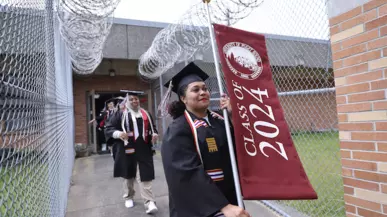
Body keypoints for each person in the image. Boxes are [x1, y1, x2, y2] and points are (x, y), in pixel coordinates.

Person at [160, 62, 251, 217]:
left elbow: (241, 148)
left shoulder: (220, 119)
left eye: (205, 88)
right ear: (183, 98)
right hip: (197, 205)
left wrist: (232, 116)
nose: (203, 92)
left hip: (228, 196)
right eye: (195, 90)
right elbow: (186, 173)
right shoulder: (178, 129)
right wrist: (222, 206)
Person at [104, 91, 159, 214]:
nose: (135, 101)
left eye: (136, 99)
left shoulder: (145, 114)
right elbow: (108, 128)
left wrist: (154, 134)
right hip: (126, 147)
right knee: (128, 174)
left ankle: (149, 201)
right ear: (127, 101)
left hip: (143, 147)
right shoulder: (120, 114)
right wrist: (118, 134)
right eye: (132, 99)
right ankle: (128, 196)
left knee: (145, 174)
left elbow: (152, 128)